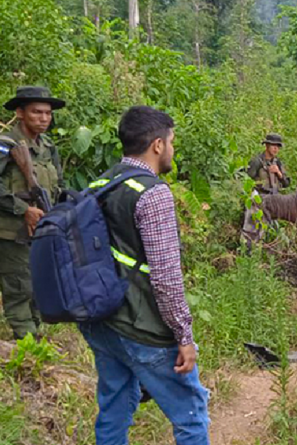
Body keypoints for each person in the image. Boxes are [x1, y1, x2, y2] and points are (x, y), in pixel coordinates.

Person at [79, 106, 210, 445]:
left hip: (102, 321)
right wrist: (184, 336)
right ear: (156, 145)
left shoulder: (101, 183)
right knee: (190, 413)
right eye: (171, 142)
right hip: (142, 328)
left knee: (114, 408)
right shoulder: (153, 194)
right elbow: (166, 279)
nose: (172, 150)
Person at [0, 86, 66, 340]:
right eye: (37, 112)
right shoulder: (5, 145)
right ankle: (26, 343)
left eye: (48, 113)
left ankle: (35, 336)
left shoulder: (48, 147)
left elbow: (60, 185)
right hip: (10, 230)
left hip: (42, 227)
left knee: (39, 284)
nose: (44, 118)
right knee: (19, 286)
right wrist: (23, 209)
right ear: (20, 113)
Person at [242, 133, 290, 248]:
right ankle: (246, 253)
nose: (276, 149)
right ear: (267, 145)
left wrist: (278, 173)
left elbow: (287, 183)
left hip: (273, 200)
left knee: (264, 231)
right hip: (258, 199)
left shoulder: (277, 163)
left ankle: (258, 253)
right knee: (250, 229)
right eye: (273, 145)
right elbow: (246, 180)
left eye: (278, 146)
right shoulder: (257, 161)